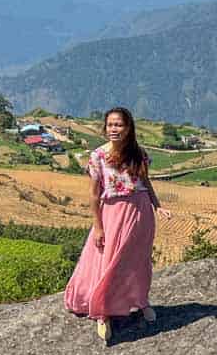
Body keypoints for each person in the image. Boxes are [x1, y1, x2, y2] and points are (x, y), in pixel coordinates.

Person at [64, 107, 170, 340]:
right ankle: (103, 312)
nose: (114, 129)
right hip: (113, 212)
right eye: (110, 125)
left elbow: (146, 182)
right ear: (105, 128)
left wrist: (158, 206)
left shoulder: (139, 154)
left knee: (139, 260)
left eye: (119, 125)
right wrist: (98, 226)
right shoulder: (98, 156)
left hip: (140, 211)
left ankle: (140, 300)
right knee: (109, 261)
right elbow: (94, 195)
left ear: (129, 127)